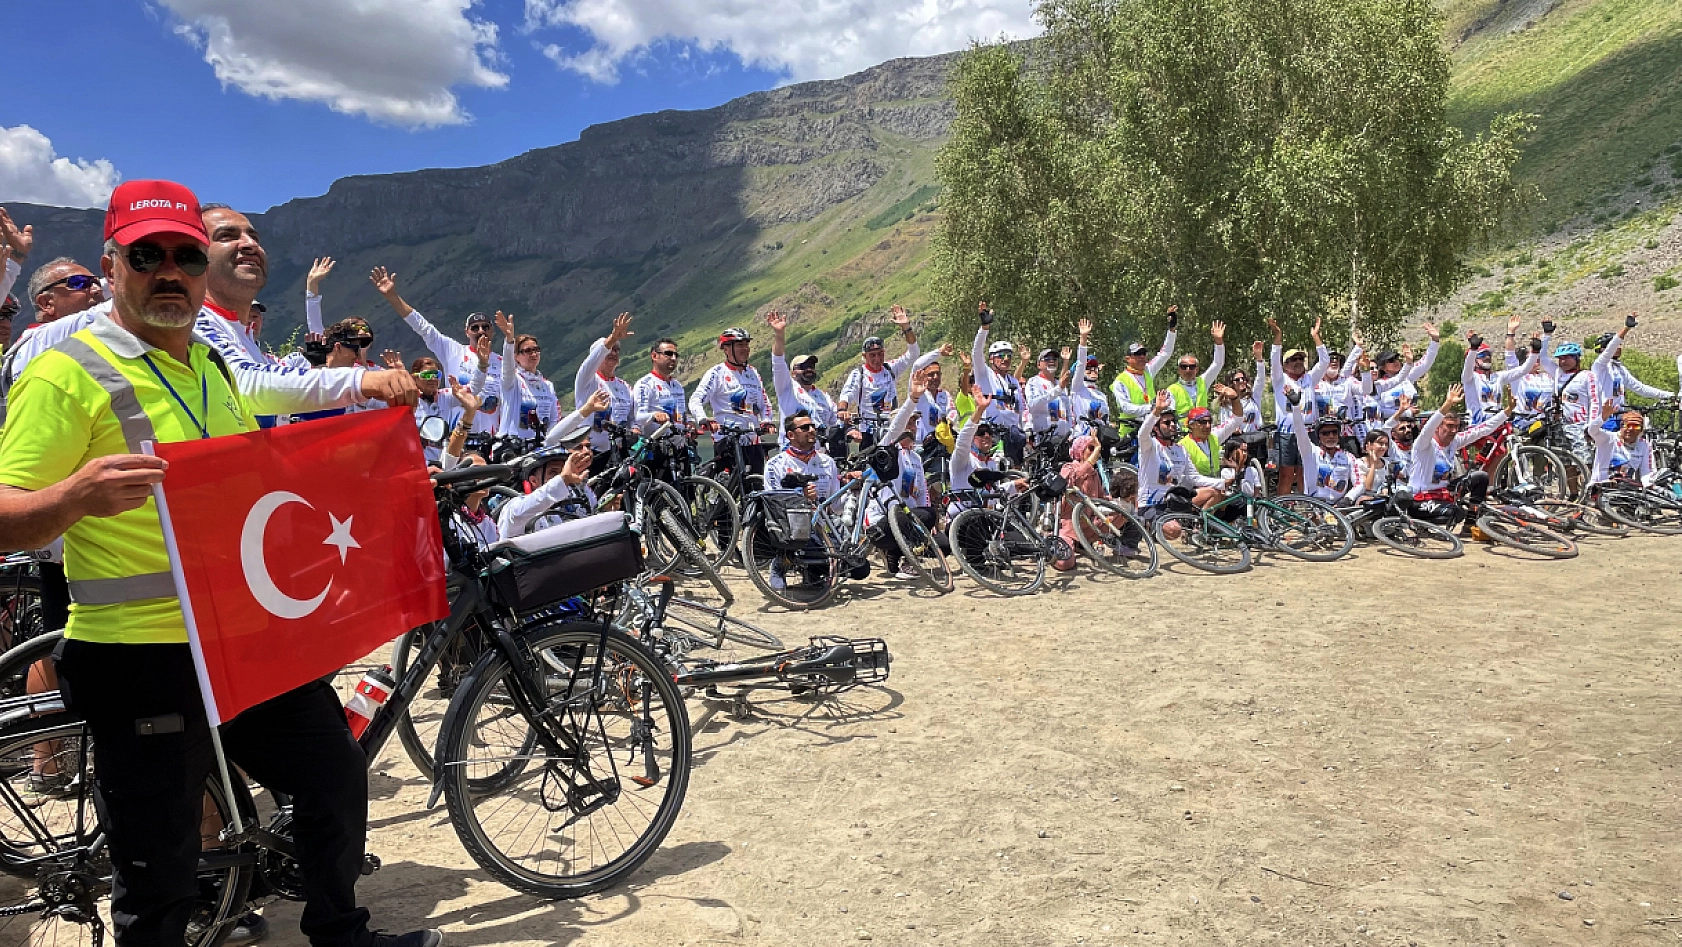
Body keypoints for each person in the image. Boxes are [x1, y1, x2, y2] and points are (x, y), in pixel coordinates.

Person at [0, 180, 440, 947]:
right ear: (112, 266)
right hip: (140, 652)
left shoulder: (212, 365)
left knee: (333, 772)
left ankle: (340, 929)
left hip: (241, 637)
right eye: (148, 255)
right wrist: (70, 498)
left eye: (186, 256)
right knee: (160, 869)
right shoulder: (66, 373)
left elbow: (257, 476)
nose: (169, 271)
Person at [375, 266, 498, 433]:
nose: (481, 331)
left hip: (490, 437)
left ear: (492, 331)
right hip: (456, 434)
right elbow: (423, 327)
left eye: (485, 327)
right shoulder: (453, 350)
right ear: (467, 332)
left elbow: (489, 393)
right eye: (475, 327)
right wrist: (392, 297)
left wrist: (489, 359)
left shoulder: (503, 362)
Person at [1405, 384, 1506, 527]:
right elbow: (1428, 428)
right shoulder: (1424, 444)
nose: (1453, 430)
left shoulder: (1455, 441)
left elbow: (1482, 430)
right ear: (1438, 427)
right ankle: (1422, 524)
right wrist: (1447, 404)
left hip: (1444, 492)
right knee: (1456, 513)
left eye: (1456, 427)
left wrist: (1507, 412)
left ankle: (1470, 524)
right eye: (1449, 426)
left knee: (1481, 477)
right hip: (1419, 499)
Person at [689, 326, 773, 481]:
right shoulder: (716, 373)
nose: (745, 349)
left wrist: (767, 420)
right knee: (730, 487)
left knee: (757, 486)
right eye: (740, 345)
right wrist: (703, 419)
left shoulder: (753, 372)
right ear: (726, 349)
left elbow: (765, 403)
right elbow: (696, 400)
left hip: (753, 439)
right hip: (727, 440)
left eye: (746, 345)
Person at [1267, 316, 1330, 496]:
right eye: (1293, 359)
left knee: (1306, 473)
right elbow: (1274, 359)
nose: (1298, 362)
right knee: (1286, 475)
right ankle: (1282, 507)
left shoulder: (1310, 378)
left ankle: (1306, 506)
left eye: (1301, 359)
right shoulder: (1280, 380)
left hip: (1309, 431)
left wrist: (1316, 337)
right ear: (1285, 365)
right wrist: (1278, 335)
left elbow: (1325, 361)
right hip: (1287, 434)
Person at [766, 310, 840, 450]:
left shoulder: (824, 396)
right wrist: (779, 335)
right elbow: (778, 361)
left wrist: (850, 428)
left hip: (819, 454)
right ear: (792, 372)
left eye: (811, 366)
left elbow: (836, 421)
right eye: (803, 366)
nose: (809, 369)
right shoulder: (786, 387)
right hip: (791, 453)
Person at [968, 303, 1027, 462]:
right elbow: (976, 352)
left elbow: (1020, 411)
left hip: (1013, 434)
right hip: (992, 434)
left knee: (1018, 472)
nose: (1005, 359)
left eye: (1009, 356)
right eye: (1000, 355)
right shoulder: (985, 374)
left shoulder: (1013, 381)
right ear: (991, 359)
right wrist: (984, 327)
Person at [1110, 305, 1179, 434]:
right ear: (1128, 358)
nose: (1142, 357)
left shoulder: (1148, 370)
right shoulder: (1120, 381)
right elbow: (1125, 408)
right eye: (1137, 354)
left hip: (1150, 427)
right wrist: (1151, 407)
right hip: (1130, 432)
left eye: (1144, 353)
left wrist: (1172, 329)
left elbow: (1165, 353)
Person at [572, 312, 632, 459]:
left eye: (617, 349)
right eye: (610, 349)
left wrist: (635, 428)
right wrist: (612, 338)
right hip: (591, 452)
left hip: (619, 452)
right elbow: (590, 362)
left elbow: (633, 416)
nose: (613, 353)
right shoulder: (587, 380)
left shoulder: (625, 386)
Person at [1287, 393, 1360, 505]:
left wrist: (1348, 499)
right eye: (1325, 433)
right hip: (1313, 506)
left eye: (1334, 432)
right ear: (1319, 437)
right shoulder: (1310, 452)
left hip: (1339, 507)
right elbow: (1299, 430)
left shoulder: (1349, 457)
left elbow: (1360, 483)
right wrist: (1296, 407)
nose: (1331, 436)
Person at [1372, 324, 1441, 420]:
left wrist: (1435, 340)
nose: (1396, 362)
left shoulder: (1407, 376)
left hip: (1411, 424)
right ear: (1382, 367)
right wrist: (1406, 413)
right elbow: (1379, 412)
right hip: (1390, 425)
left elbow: (1425, 363)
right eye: (1391, 360)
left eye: (1396, 358)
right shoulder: (1379, 385)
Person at [1586, 398, 1655, 488]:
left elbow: (1646, 472)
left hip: (1626, 489)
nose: (1631, 429)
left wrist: (1650, 486)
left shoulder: (1644, 445)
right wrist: (1602, 418)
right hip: (1600, 488)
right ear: (1621, 426)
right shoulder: (1608, 438)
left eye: (1636, 426)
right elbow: (1592, 431)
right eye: (1628, 425)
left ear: (1641, 431)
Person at [1163, 320, 1226, 414]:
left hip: (1203, 423)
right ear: (1178, 370)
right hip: (1183, 424)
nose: (1188, 370)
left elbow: (1218, 363)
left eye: (1192, 367)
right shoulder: (1172, 390)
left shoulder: (1203, 382)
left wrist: (1219, 341)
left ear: (1197, 369)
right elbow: (1169, 415)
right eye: (1184, 367)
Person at [632, 336, 689, 429]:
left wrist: (690, 423)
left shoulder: (677, 385)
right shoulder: (644, 384)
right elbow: (638, 417)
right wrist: (654, 415)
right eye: (668, 354)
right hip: (657, 437)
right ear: (654, 356)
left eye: (676, 355)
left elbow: (681, 416)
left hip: (679, 437)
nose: (674, 358)